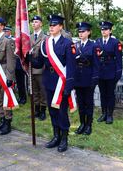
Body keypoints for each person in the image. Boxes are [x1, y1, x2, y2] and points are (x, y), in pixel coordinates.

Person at [32, 14, 76, 152]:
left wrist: (68, 86)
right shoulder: (46, 43)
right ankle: (56, 136)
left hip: (61, 82)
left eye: (54, 25)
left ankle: (64, 138)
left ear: (61, 27)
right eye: (50, 25)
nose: (51, 27)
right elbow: (39, 63)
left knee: (62, 111)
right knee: (52, 111)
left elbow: (71, 67)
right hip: (48, 81)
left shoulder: (68, 44)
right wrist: (28, 58)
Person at [73, 22, 99, 135]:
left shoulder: (94, 46)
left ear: (89, 32)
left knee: (88, 102)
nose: (81, 33)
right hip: (78, 78)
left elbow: (97, 64)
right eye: (79, 31)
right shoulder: (76, 45)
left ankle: (89, 125)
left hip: (88, 78)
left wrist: (94, 79)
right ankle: (82, 123)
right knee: (80, 102)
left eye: (83, 31)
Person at [95, 21, 123, 124]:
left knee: (110, 94)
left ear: (110, 31)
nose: (103, 31)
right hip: (100, 72)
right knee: (102, 94)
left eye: (106, 29)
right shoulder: (97, 42)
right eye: (102, 29)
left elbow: (119, 59)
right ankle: (103, 113)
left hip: (111, 71)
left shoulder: (115, 42)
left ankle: (110, 115)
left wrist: (118, 73)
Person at [30, 15, 47, 120]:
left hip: (41, 68)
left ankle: (43, 110)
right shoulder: (29, 37)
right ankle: (36, 110)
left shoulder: (45, 38)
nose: (34, 24)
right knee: (34, 90)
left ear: (41, 24)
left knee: (42, 90)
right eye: (33, 22)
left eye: (36, 22)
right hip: (31, 67)